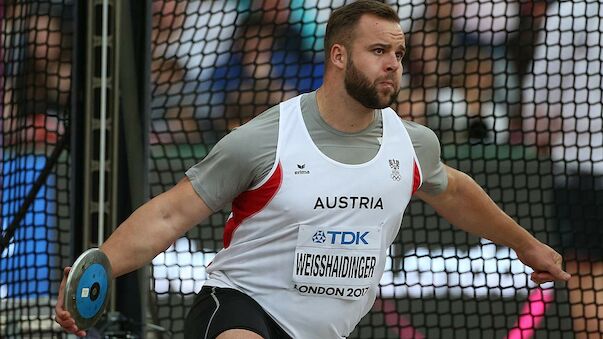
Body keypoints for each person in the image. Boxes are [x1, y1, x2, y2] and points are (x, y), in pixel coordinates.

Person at [55, 1, 570, 338]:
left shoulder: (413, 145)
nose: (393, 63)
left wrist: (524, 244)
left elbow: (455, 191)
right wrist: (98, 267)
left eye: (398, 52)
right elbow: (170, 214)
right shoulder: (266, 138)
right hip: (242, 309)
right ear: (339, 56)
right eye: (378, 51)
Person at [520, 1, 602, 337]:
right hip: (582, 167)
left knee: (587, 279)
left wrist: (538, 136)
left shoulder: (572, 9)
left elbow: (542, 96)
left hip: (582, 169)